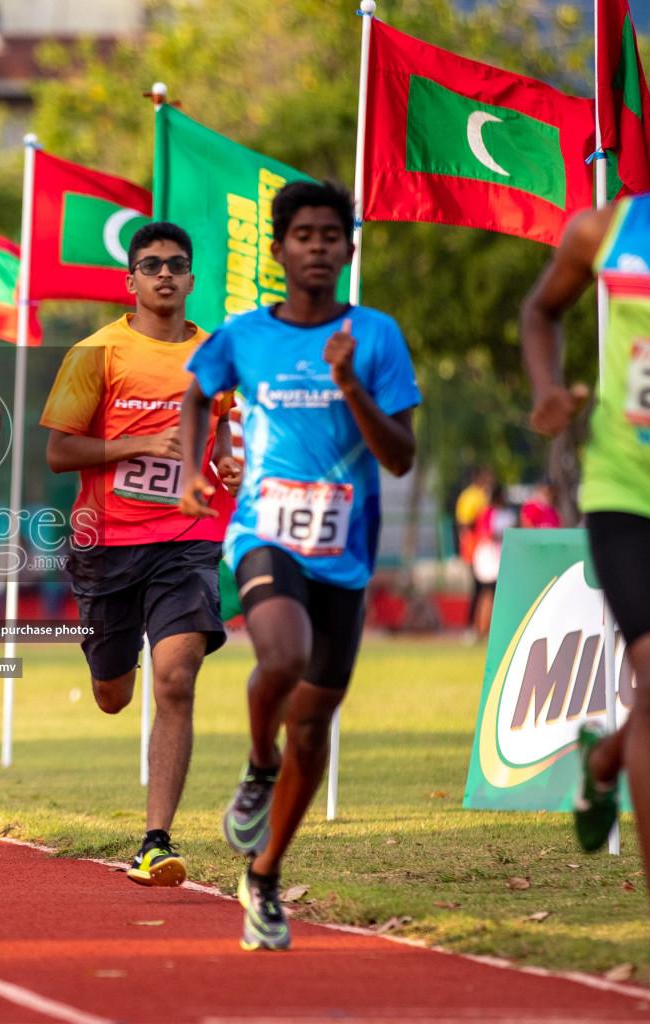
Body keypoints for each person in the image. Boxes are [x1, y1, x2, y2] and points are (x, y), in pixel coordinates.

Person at [518, 59, 650, 996]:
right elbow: (540, 309)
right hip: (629, 489)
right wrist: (547, 392)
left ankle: (600, 764)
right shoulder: (610, 229)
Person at [178, 179, 420, 951]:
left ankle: (267, 875)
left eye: (331, 235)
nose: (318, 247)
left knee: (313, 728)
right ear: (279, 249)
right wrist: (192, 466)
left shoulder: (377, 336)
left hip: (344, 551)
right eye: (303, 235)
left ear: (349, 249)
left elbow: (403, 456)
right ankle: (257, 764)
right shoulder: (244, 335)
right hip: (263, 532)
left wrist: (349, 382)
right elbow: (195, 395)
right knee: (280, 656)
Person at [40, 221, 240, 888]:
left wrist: (231, 464)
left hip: (187, 537)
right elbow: (59, 451)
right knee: (113, 695)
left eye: (175, 264)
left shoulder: (216, 355)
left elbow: (228, 438)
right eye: (149, 264)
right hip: (107, 546)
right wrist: (135, 448)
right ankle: (107, 663)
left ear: (190, 279)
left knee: (177, 676)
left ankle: (155, 841)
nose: (163, 274)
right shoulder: (97, 353)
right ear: (131, 282)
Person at [470, 480, 514, 640]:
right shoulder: (489, 513)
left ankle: (492, 629)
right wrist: (503, 535)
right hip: (489, 559)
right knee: (487, 594)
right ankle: (482, 628)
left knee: (496, 595)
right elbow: (485, 534)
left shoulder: (507, 514)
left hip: (501, 558)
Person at [455, 467, 494, 634]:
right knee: (477, 588)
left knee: (483, 588)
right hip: (474, 547)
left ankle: (480, 626)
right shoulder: (471, 496)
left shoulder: (484, 495)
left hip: (485, 548)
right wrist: (480, 522)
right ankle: (472, 626)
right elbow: (464, 522)